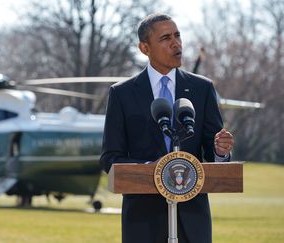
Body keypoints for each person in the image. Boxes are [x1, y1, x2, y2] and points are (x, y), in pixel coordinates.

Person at [100, 13, 234, 243]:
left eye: (177, 35)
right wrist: (152, 169)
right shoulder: (122, 93)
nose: (176, 43)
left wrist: (221, 152)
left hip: (192, 219)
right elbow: (110, 158)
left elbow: (212, 153)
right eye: (165, 38)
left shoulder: (202, 88)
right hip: (142, 219)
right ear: (144, 48)